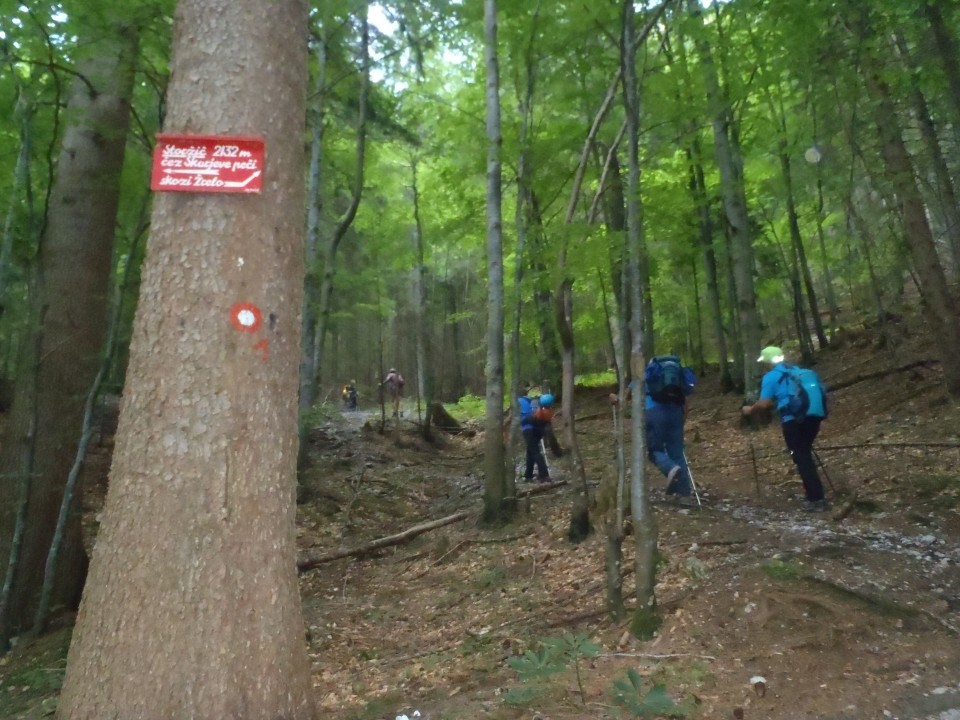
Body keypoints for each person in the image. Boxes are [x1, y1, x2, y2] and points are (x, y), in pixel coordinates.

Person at [742, 345, 829, 512]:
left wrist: (749, 410)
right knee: (803, 454)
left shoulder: (771, 377)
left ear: (767, 362)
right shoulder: (796, 371)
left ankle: (817, 499)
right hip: (813, 416)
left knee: (800, 456)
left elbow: (764, 403)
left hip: (793, 420)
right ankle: (813, 494)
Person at [642, 356, 698, 507]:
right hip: (676, 413)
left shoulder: (648, 373)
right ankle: (684, 496)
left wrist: (616, 398)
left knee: (655, 451)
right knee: (677, 452)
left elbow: (629, 395)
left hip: (654, 413)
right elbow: (686, 402)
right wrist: (682, 420)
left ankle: (671, 468)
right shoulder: (677, 376)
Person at [518, 390, 555, 483]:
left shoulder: (518, 401)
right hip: (539, 430)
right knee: (530, 451)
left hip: (528, 430)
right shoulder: (534, 402)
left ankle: (544, 475)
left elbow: (518, 417)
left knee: (535, 452)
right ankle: (528, 475)